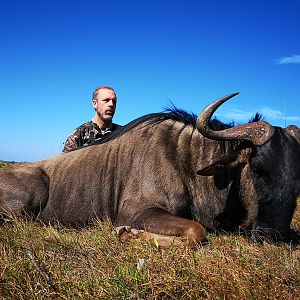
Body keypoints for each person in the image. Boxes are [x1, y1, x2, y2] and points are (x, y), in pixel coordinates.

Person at [62, 86, 121, 152]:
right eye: (106, 100)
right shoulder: (79, 135)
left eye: (114, 101)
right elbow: (65, 161)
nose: (111, 104)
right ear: (95, 104)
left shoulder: (122, 133)